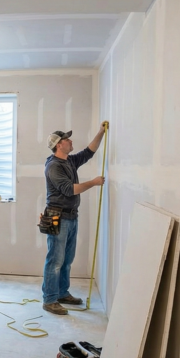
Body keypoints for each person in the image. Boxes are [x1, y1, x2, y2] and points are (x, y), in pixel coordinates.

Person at [41, 123, 107, 315]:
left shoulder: (69, 161)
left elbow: (89, 152)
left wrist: (101, 132)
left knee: (67, 260)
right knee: (55, 260)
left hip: (71, 216)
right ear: (58, 145)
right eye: (67, 139)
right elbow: (70, 189)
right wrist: (94, 183)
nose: (71, 141)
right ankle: (50, 300)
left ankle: (62, 293)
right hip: (58, 217)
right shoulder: (54, 166)